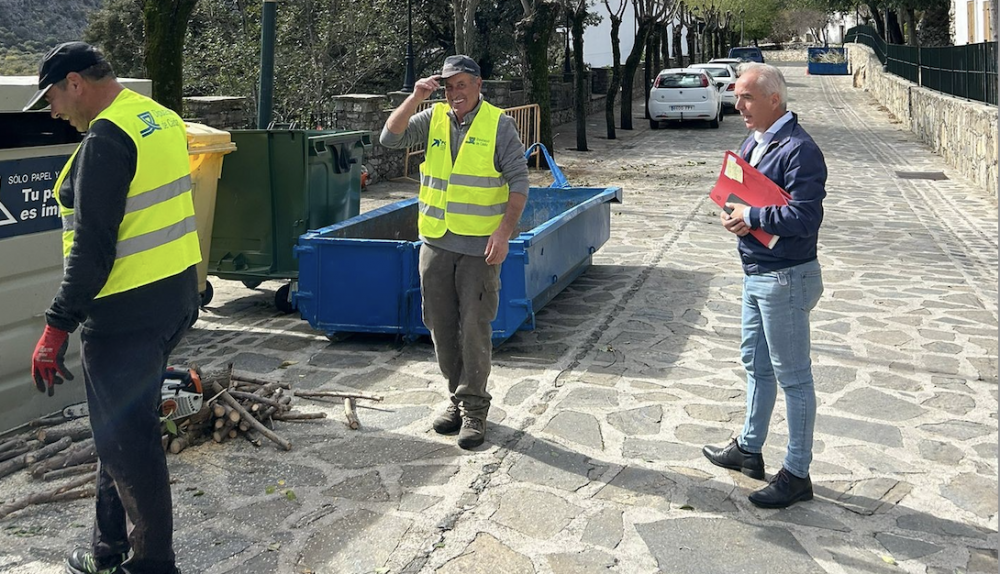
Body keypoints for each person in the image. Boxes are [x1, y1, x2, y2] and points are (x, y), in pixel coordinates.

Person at [25, 42, 199, 574]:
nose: (53, 110)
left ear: (75, 83)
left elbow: (94, 246)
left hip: (125, 314)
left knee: (131, 440)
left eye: (52, 97)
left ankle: (152, 564)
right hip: (174, 297)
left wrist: (56, 326)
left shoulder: (106, 137)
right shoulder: (158, 118)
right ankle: (108, 549)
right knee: (118, 428)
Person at [380, 55, 528, 450]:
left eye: (462, 84)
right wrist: (416, 96)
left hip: (480, 247)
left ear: (479, 85)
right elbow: (389, 137)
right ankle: (456, 400)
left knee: (475, 327)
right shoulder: (433, 118)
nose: (455, 93)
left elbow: (519, 183)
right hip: (436, 242)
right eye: (448, 86)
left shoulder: (500, 124)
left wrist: (504, 232)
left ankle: (475, 410)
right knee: (440, 325)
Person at [702, 62, 827, 509]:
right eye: (737, 97)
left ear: (775, 99)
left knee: (794, 378)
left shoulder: (800, 150)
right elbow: (737, 194)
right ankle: (749, 449)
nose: (738, 106)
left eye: (747, 98)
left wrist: (752, 216)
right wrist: (731, 213)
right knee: (755, 364)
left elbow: (805, 217)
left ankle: (796, 473)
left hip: (786, 278)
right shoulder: (754, 141)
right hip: (756, 272)